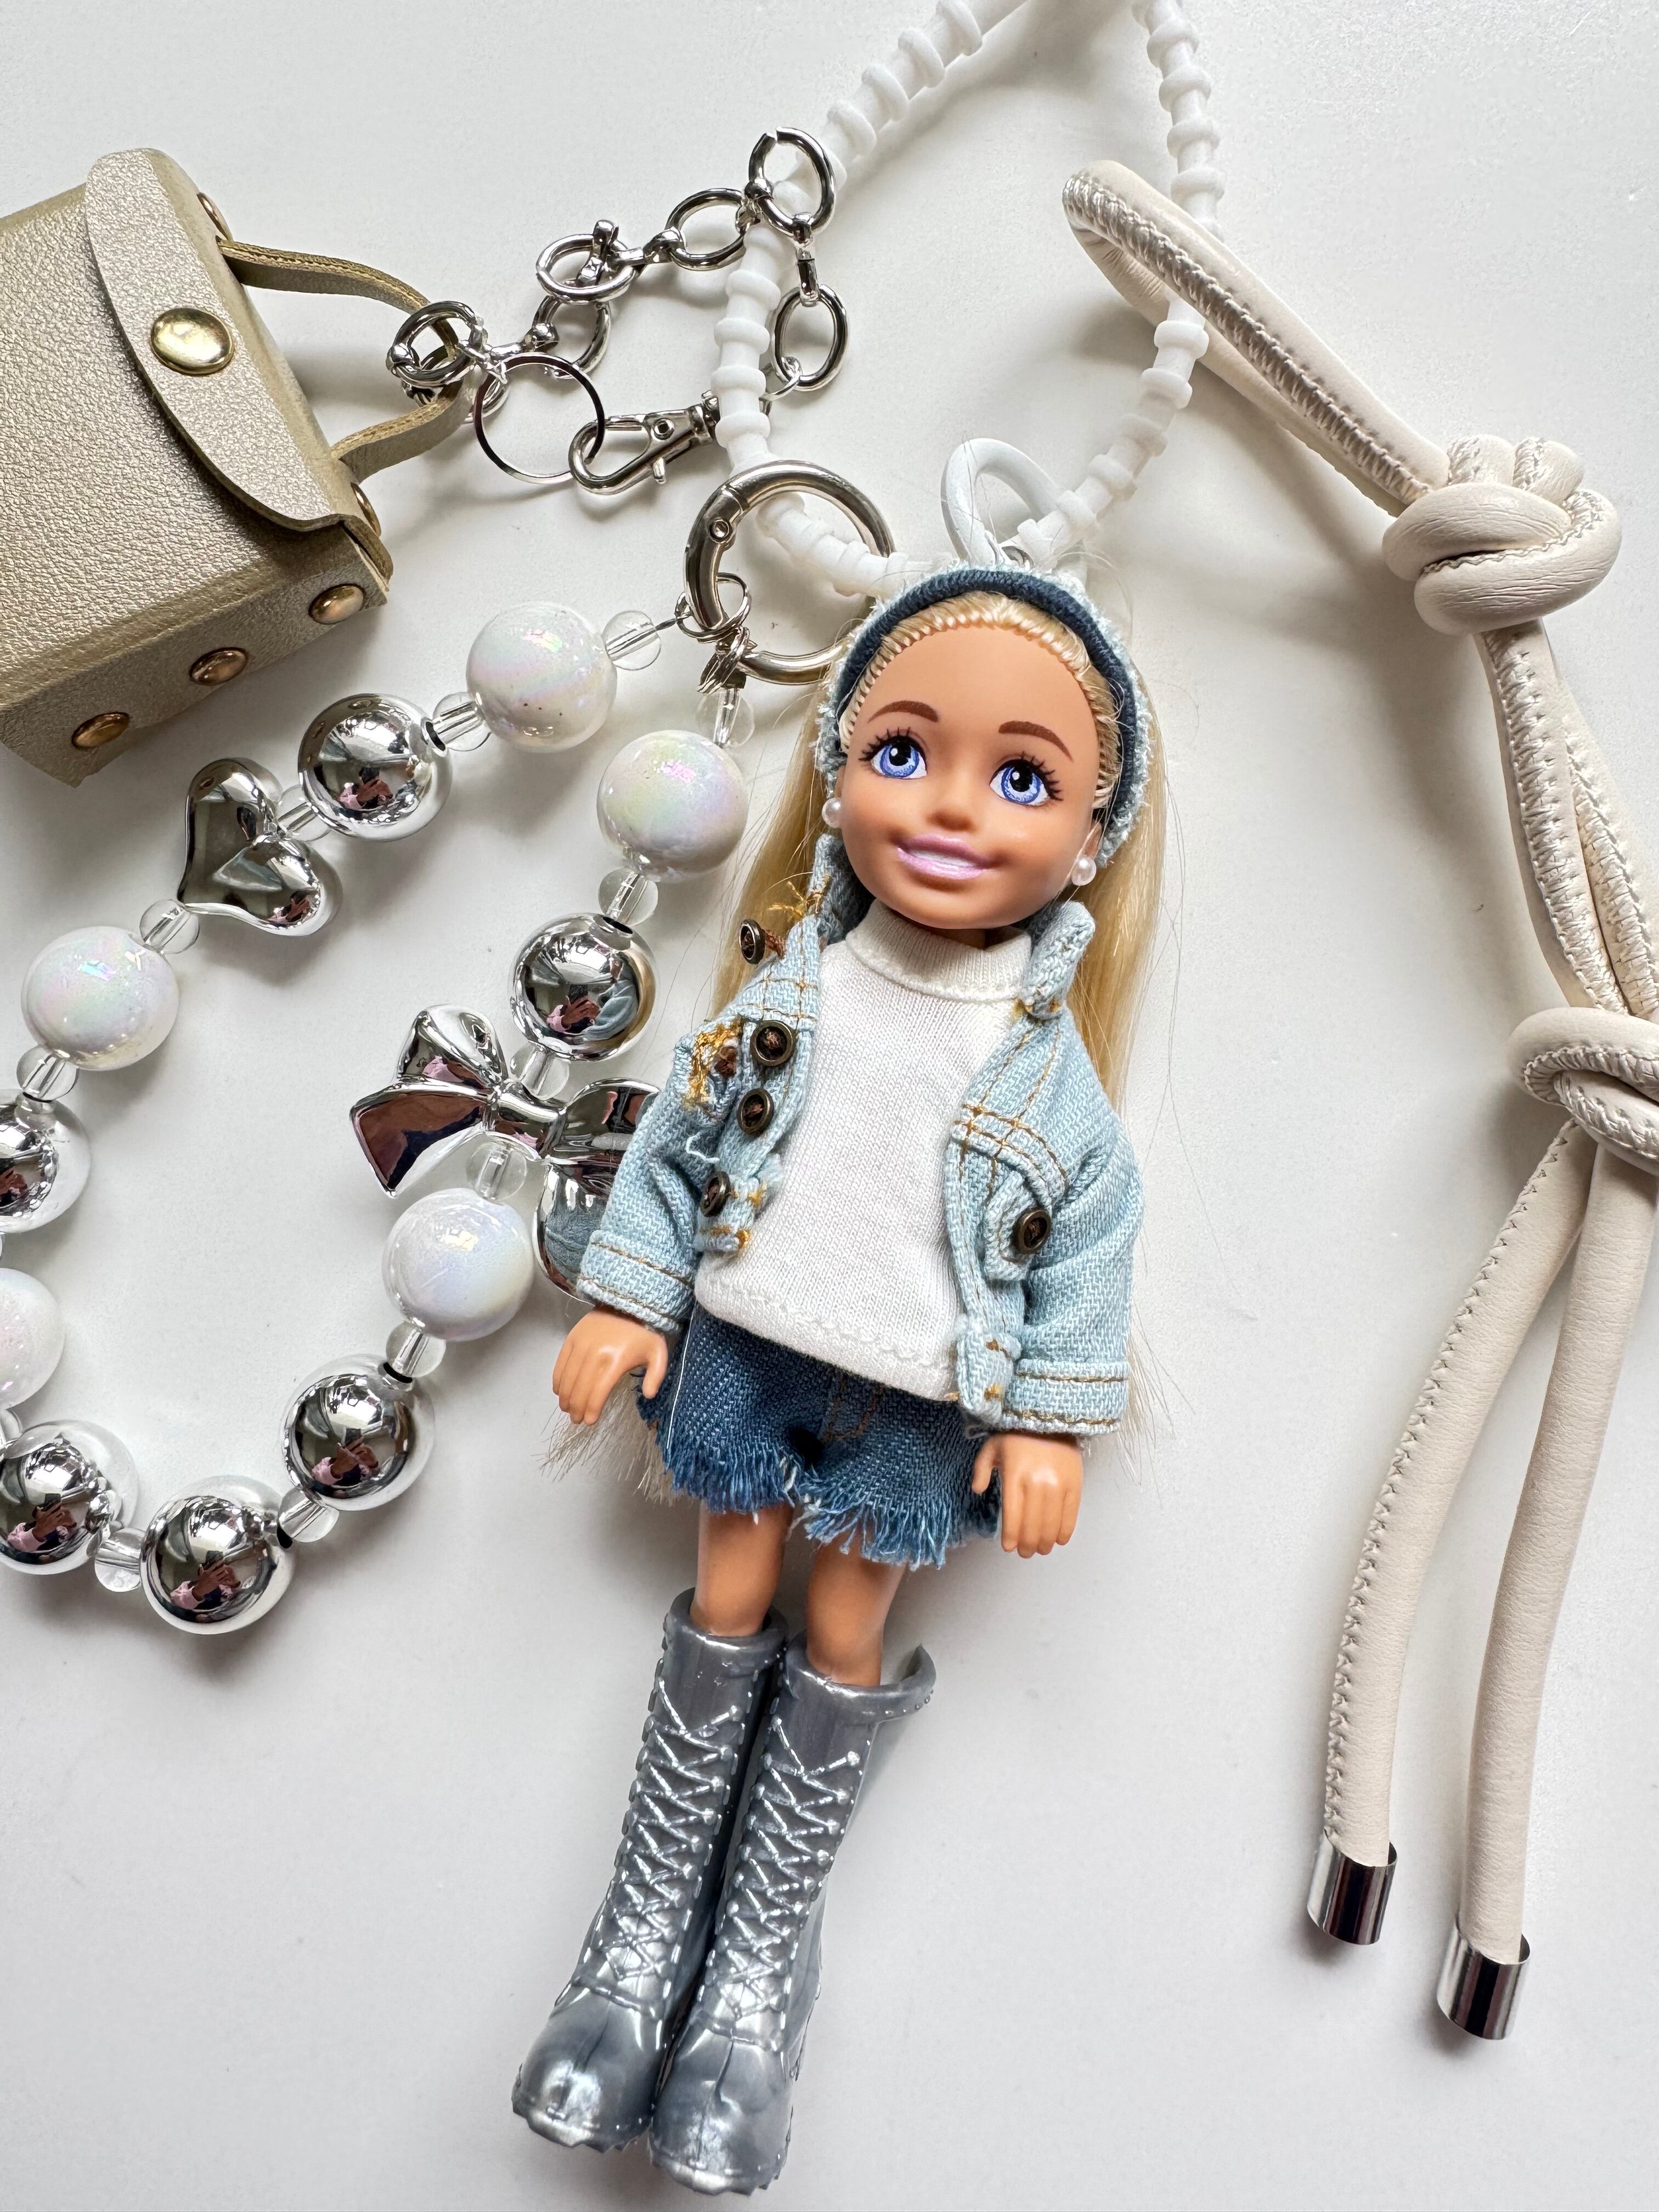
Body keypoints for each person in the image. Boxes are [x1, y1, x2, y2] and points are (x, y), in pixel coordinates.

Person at [515, 565, 1164, 2194]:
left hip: (917, 1405)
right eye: (903, 752)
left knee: (848, 1628)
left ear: (1092, 837)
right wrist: (629, 1301)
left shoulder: (1049, 1071)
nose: (951, 808)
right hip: (747, 1351)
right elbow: (679, 1149)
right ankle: (635, 1946)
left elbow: (1089, 1236)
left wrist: (1049, 1423)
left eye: (1024, 780)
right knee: (730, 1595)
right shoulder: (790, 995)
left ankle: (752, 1985)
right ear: (836, 772)